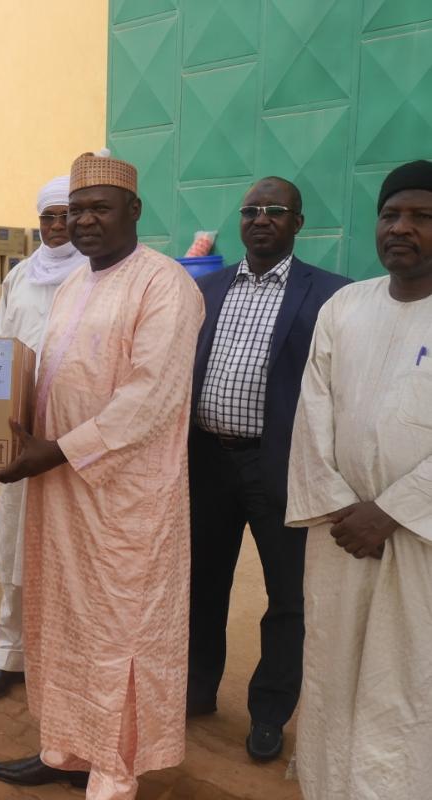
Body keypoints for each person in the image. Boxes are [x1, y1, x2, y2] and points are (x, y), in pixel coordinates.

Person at [0, 151, 204, 800]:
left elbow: (150, 399)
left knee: (119, 634)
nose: (83, 221)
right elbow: (46, 380)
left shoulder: (165, 285)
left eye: (98, 208)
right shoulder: (74, 284)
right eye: (75, 209)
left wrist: (50, 452)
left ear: (133, 212)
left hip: (124, 502)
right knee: (61, 622)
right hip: (59, 492)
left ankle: (113, 770)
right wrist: (4, 439)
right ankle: (64, 747)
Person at [187, 177, 349, 760]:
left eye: (275, 210)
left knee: (287, 597)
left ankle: (269, 712)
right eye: (251, 210)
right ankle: (196, 687)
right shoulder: (205, 289)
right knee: (202, 583)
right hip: (205, 460)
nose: (261, 218)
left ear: (298, 223)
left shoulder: (331, 294)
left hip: (279, 466)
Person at [284, 160, 432, 800]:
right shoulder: (345, 306)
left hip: (420, 546)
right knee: (335, 671)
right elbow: (311, 415)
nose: (401, 228)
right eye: (390, 214)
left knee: (406, 683)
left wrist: (395, 510)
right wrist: (346, 511)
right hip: (341, 537)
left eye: (422, 217)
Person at [0, 175, 88, 703]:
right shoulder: (19, 278)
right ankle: (9, 656)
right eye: (48, 217)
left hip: (75, 441)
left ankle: (66, 662)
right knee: (14, 550)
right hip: (21, 437)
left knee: (72, 555)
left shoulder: (97, 273)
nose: (58, 225)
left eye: (66, 215)